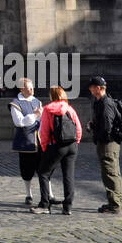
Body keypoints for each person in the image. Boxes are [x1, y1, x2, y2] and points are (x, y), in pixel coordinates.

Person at [35, 85, 82, 215]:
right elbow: (78, 127)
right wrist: (76, 142)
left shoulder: (48, 110)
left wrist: (44, 148)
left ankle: (44, 204)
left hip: (57, 145)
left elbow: (44, 132)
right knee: (68, 175)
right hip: (72, 145)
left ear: (52, 96)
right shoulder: (69, 108)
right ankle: (67, 207)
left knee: (43, 172)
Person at [88, 76, 122, 214]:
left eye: (92, 87)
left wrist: (97, 134)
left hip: (107, 143)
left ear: (98, 88)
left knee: (110, 173)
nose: (90, 89)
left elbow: (107, 127)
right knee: (112, 173)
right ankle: (114, 202)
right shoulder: (101, 102)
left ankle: (115, 205)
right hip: (107, 142)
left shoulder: (105, 103)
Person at [8, 77, 43, 208]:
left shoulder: (37, 101)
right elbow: (19, 122)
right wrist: (34, 116)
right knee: (27, 170)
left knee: (44, 169)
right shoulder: (16, 103)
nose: (32, 89)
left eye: (32, 86)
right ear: (21, 89)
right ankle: (29, 194)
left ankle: (48, 194)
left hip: (39, 140)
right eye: (29, 87)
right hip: (25, 142)